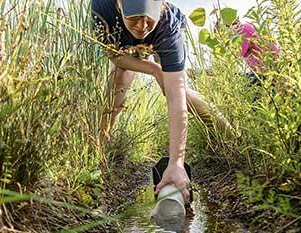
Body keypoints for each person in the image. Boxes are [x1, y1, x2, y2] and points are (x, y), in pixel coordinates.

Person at [91, 0, 234, 202]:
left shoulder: (168, 24)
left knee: (180, 90)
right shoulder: (101, 7)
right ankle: (97, 152)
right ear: (119, 4)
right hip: (123, 45)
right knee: (119, 80)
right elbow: (114, 55)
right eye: (134, 17)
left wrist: (176, 162)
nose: (142, 25)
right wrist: (153, 69)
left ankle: (231, 138)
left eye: (148, 17)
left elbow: (176, 94)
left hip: (163, 34)